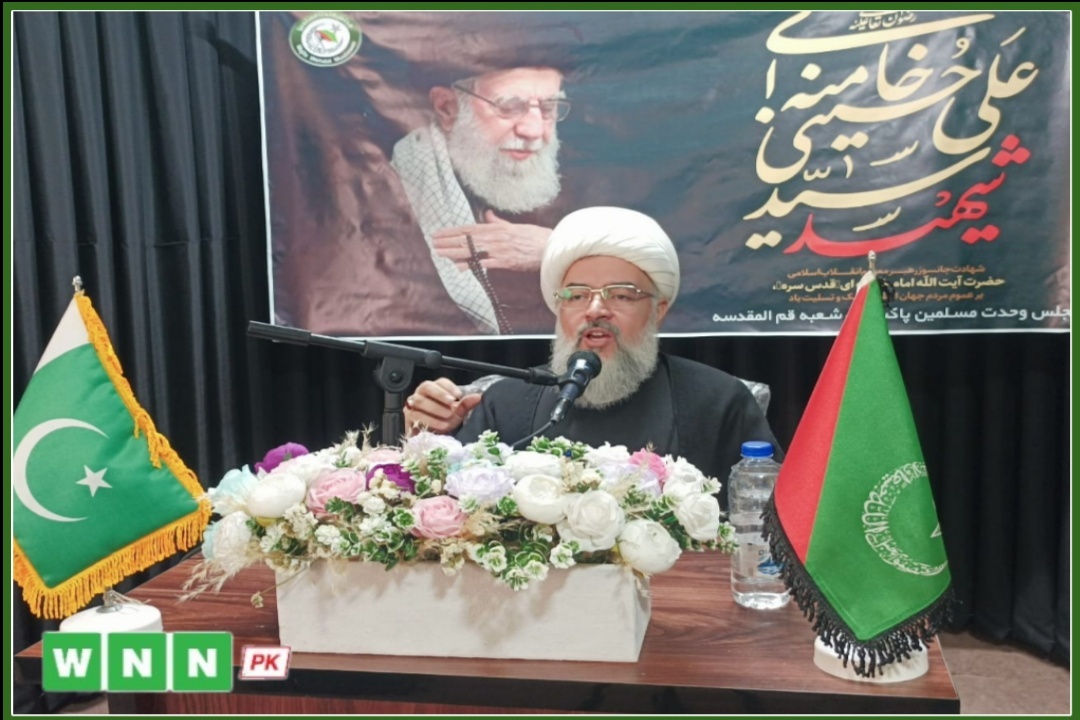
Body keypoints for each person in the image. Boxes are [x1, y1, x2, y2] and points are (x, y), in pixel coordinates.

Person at [402, 206, 782, 485]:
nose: (596, 309)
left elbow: (772, 522)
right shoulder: (507, 402)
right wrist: (426, 443)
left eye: (621, 295)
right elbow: (450, 519)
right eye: (577, 295)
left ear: (658, 310)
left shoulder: (716, 401)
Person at [390, 65, 570, 335]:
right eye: (509, 106)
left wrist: (560, 249)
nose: (534, 130)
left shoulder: (569, 179)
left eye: (549, 108)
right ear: (447, 108)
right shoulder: (383, 191)